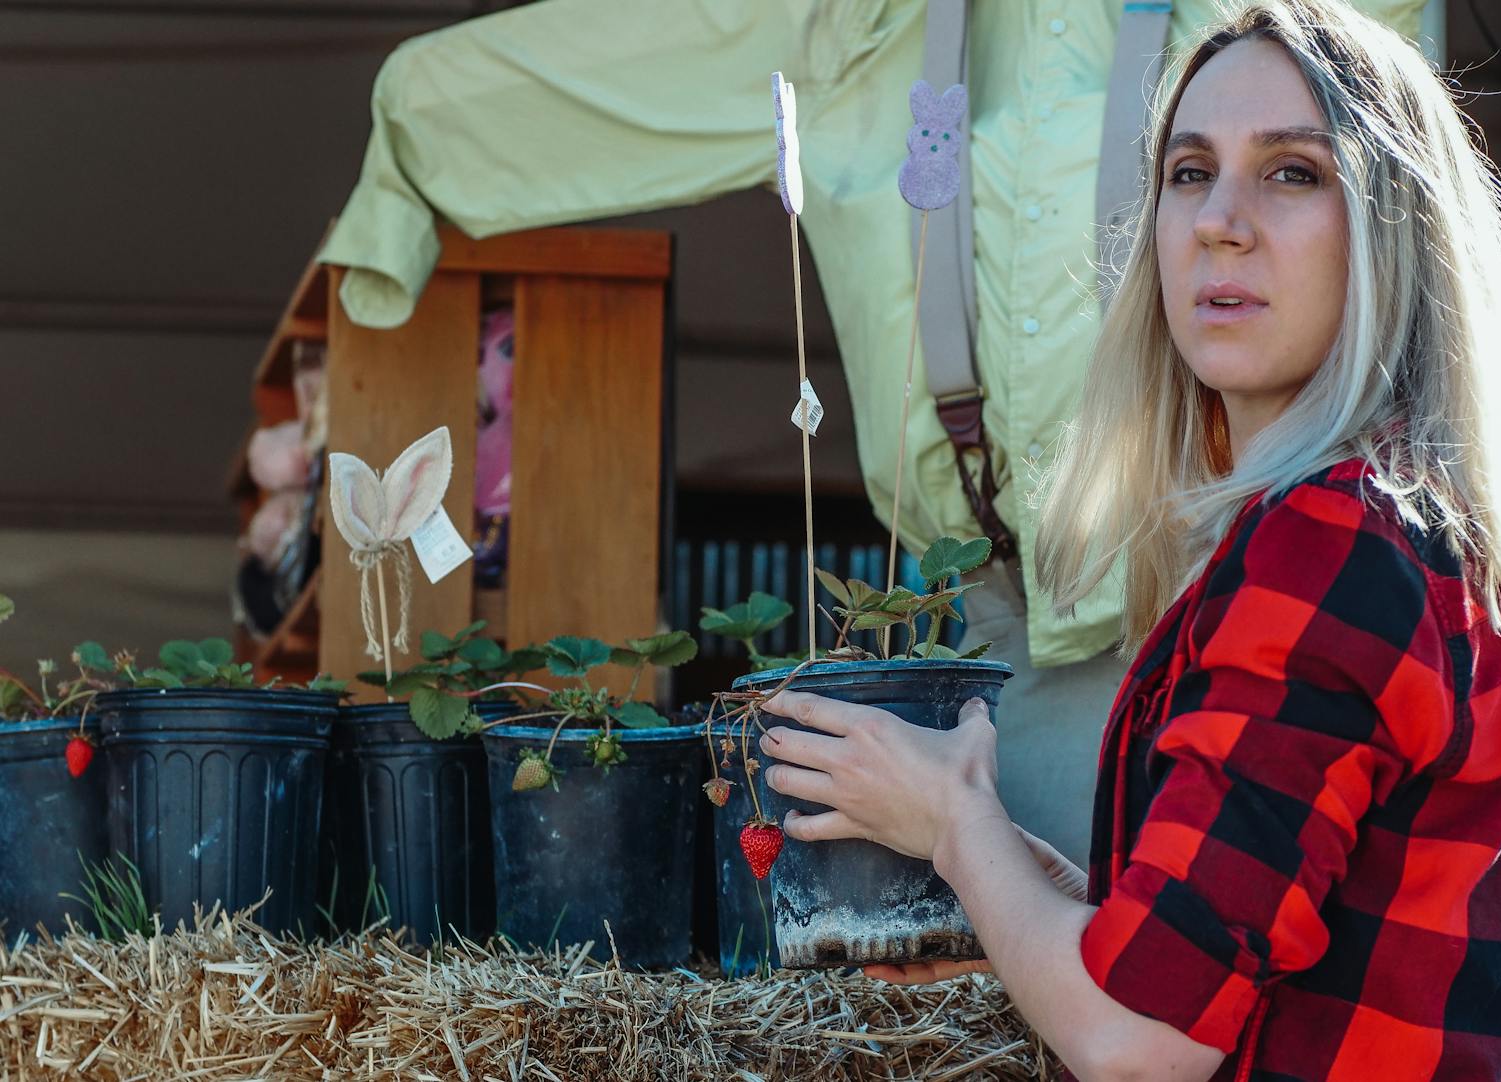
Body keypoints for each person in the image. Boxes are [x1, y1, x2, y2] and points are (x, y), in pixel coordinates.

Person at [315, 0, 1424, 867]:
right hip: (1006, 640)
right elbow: (598, 72)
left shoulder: (1256, 43)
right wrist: (406, 163)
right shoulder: (860, 32)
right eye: (1193, 175)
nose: (1225, 206)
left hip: (1244, 590)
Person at [755, 1, 1501, 1078]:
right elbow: (1284, 955)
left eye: (1294, 172)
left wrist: (952, 819)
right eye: (1186, 171)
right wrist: (1041, 889)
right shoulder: (1458, 541)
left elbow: (1136, 1039)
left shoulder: (1329, 544)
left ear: (1396, 222)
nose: (1221, 218)